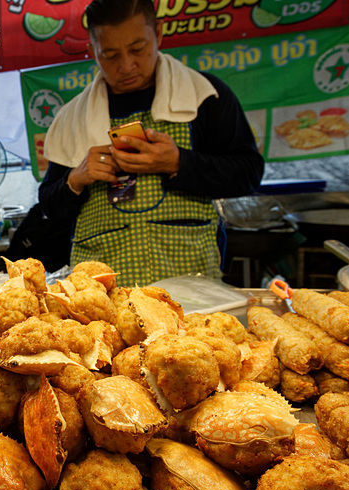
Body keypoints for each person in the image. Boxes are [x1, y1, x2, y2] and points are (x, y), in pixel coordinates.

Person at [38, 0, 264, 287]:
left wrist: (178, 163)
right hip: (103, 294)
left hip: (192, 287)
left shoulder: (204, 97)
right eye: (109, 55)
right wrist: (75, 179)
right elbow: (48, 205)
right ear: (92, 51)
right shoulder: (71, 118)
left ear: (158, 33)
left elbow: (248, 174)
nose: (126, 65)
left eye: (137, 49)